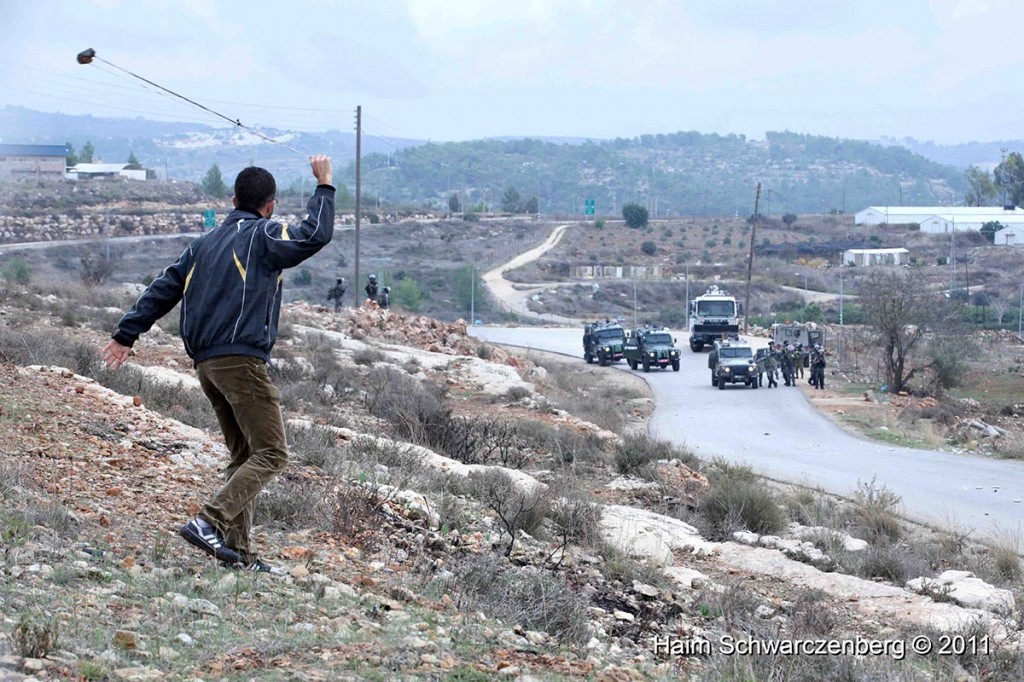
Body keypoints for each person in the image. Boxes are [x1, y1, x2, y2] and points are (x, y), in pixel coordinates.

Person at [101, 156, 335, 573]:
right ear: (271, 206)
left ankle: (238, 553)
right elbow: (314, 235)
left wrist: (126, 334)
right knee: (273, 453)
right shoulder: (265, 234)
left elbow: (162, 289)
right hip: (240, 360)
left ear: (232, 200)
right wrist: (324, 185)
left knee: (245, 453)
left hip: (207, 366)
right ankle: (209, 520)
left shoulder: (201, 244)